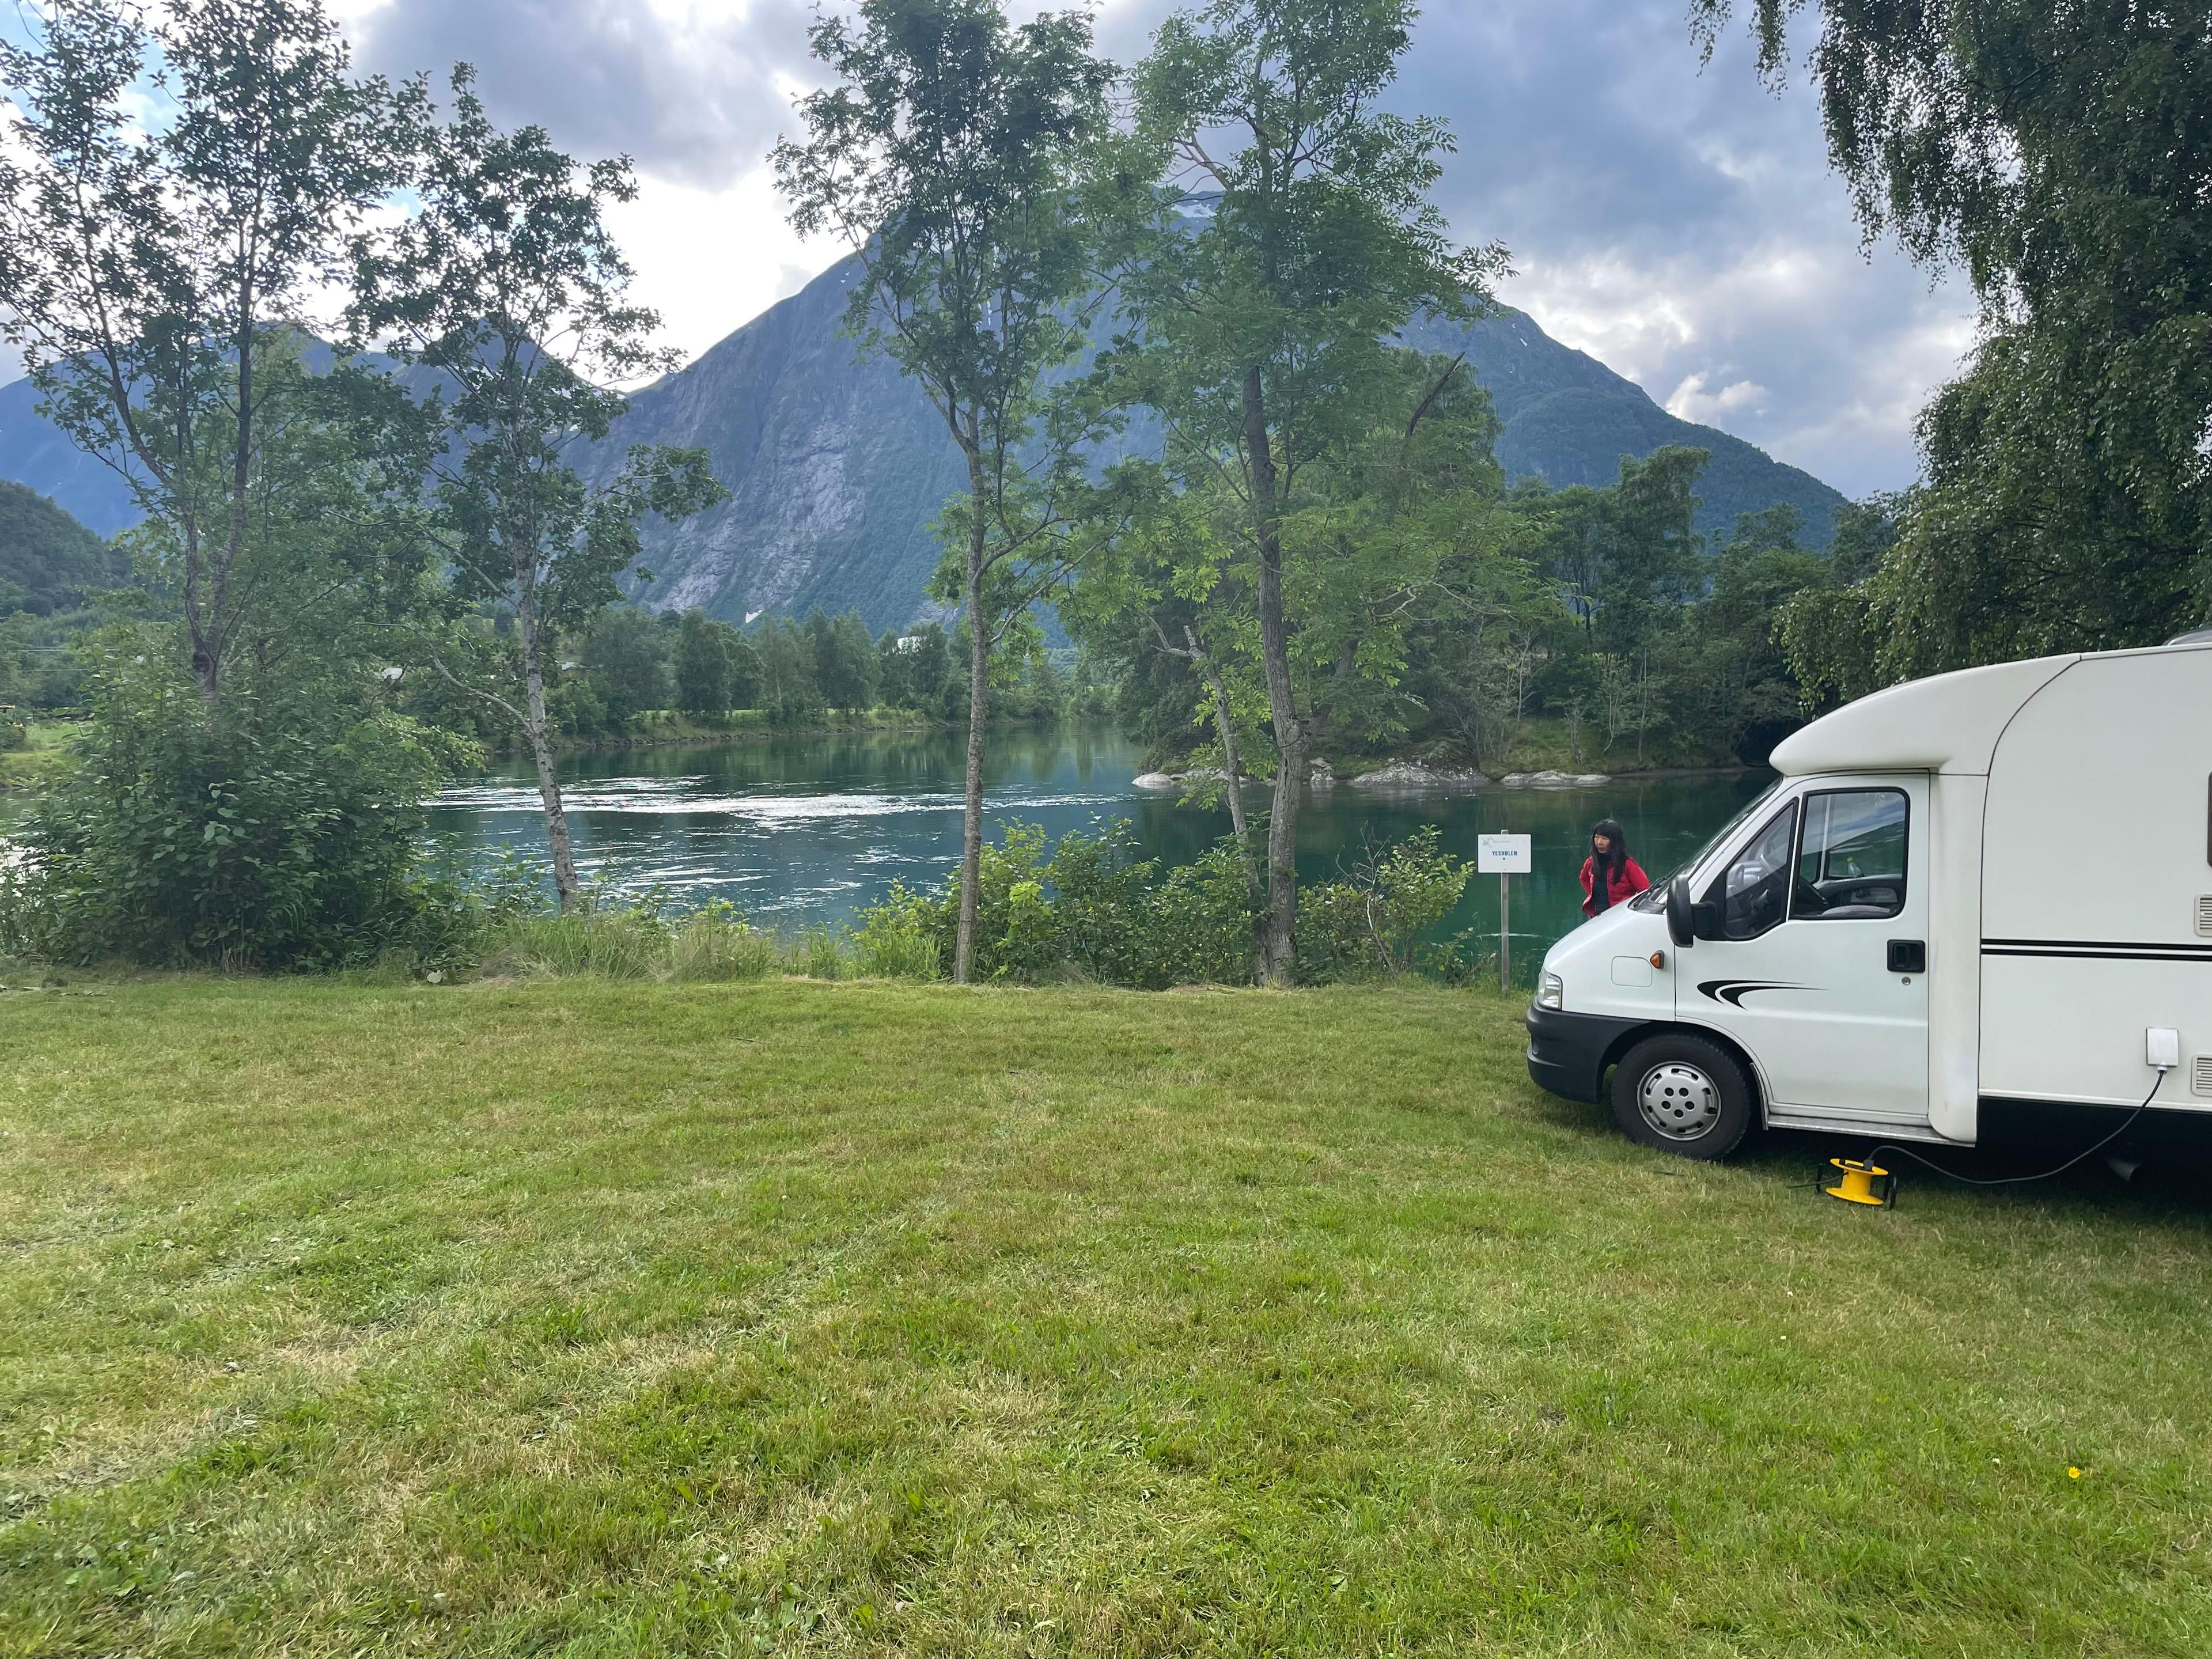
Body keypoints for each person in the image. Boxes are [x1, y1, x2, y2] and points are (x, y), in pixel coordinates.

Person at [1580, 817, 1650, 917]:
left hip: (1620, 917)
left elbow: (1645, 890)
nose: (1599, 842)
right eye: (1597, 837)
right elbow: (1584, 879)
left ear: (1615, 842)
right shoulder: (1591, 862)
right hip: (1596, 916)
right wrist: (1593, 894)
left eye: (1604, 839)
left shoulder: (1627, 864)